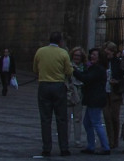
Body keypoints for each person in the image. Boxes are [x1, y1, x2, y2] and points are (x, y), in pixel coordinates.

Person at [32, 30, 73, 158]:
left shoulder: (40, 51)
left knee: (45, 119)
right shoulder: (63, 53)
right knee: (61, 119)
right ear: (60, 41)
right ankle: (64, 148)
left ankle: (46, 149)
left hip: (44, 85)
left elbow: (35, 69)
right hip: (58, 85)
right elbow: (68, 71)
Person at [76, 47, 112, 155]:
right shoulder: (95, 68)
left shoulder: (98, 69)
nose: (92, 56)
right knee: (87, 123)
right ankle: (91, 146)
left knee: (96, 123)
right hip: (93, 98)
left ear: (99, 58)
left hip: (95, 99)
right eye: (91, 54)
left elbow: (86, 78)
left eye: (94, 55)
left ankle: (105, 147)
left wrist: (74, 71)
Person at [102, 44, 124, 151]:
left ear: (113, 51)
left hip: (115, 93)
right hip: (104, 93)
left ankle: (115, 140)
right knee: (107, 117)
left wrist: (117, 82)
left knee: (114, 117)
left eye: (109, 51)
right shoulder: (103, 63)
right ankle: (110, 141)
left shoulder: (119, 63)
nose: (107, 53)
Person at [69, 46, 87, 150]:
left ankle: (77, 140)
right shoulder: (68, 65)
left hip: (80, 92)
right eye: (75, 55)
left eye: (79, 56)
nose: (77, 57)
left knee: (77, 118)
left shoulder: (84, 67)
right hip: (70, 92)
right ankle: (65, 140)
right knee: (67, 118)